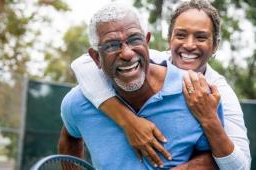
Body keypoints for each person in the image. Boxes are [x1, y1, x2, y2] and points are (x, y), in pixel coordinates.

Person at [70, 0, 251, 169]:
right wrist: (129, 122)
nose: (189, 45)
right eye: (181, 35)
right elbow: (82, 65)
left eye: (201, 37)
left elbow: (241, 166)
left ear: (215, 46)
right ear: (169, 39)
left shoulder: (220, 92)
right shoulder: (144, 60)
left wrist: (209, 119)